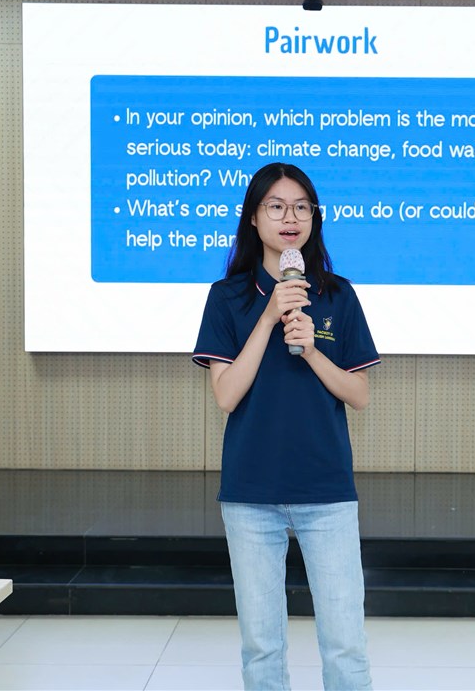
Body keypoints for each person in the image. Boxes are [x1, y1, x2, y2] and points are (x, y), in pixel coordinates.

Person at [192, 162, 378, 690]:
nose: (290, 218)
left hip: (326, 489)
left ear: (314, 218)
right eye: (276, 206)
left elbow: (359, 395)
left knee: (345, 644)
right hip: (251, 493)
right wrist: (269, 316)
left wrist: (313, 351)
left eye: (301, 207)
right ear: (253, 218)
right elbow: (227, 395)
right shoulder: (227, 297)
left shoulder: (337, 295)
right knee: (262, 648)